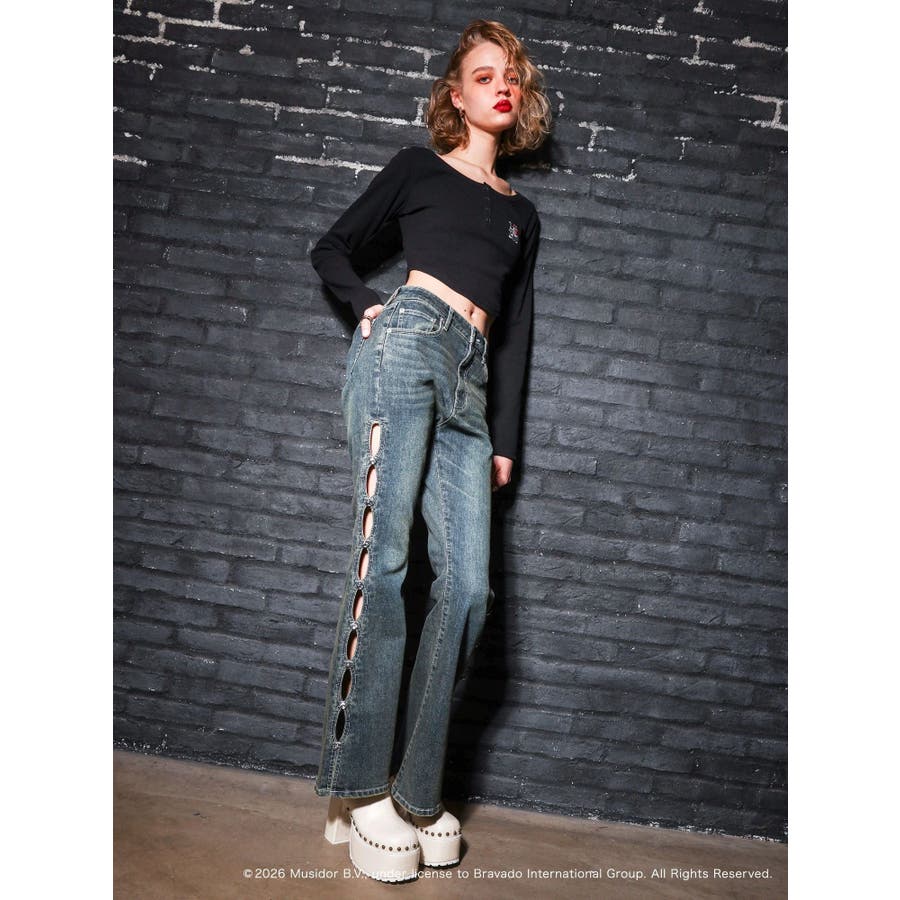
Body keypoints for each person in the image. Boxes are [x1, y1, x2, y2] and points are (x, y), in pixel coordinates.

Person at [309, 19, 551, 883]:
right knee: (384, 563)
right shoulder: (417, 169)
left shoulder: (522, 215)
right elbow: (332, 247)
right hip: (407, 345)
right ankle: (357, 786)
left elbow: (516, 332)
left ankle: (413, 790)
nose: (501, 85)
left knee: (470, 588)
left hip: (472, 383)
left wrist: (504, 440)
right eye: (484, 75)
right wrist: (367, 306)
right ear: (456, 94)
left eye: (510, 75)